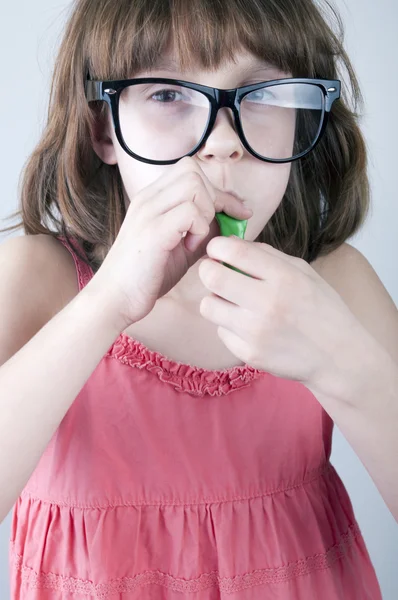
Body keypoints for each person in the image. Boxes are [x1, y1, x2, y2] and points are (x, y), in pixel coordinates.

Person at [1, 0, 397, 597]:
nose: (220, 142)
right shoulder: (35, 280)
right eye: (166, 94)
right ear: (103, 128)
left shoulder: (337, 284)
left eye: (261, 93)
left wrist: (347, 367)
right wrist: (107, 303)